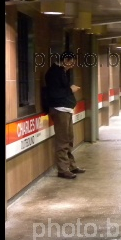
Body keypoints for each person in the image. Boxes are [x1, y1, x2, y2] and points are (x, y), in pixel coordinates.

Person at [45, 51, 85, 179]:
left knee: (69, 138)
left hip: (66, 109)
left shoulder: (62, 71)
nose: (72, 66)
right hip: (59, 109)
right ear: (65, 60)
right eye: (71, 62)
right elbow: (55, 93)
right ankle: (62, 169)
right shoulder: (54, 73)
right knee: (62, 140)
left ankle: (71, 165)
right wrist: (70, 90)